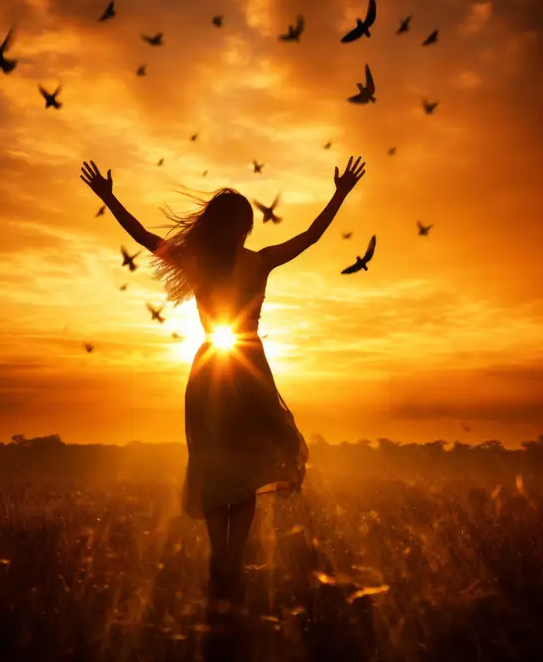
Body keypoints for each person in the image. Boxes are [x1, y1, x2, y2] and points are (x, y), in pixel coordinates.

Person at [80, 156, 366, 606]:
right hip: (238, 366)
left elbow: (309, 237)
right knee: (231, 463)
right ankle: (226, 560)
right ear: (243, 227)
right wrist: (108, 197)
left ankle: (225, 560)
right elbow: (143, 237)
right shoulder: (248, 262)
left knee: (233, 463)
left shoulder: (213, 263)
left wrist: (340, 195)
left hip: (222, 367)